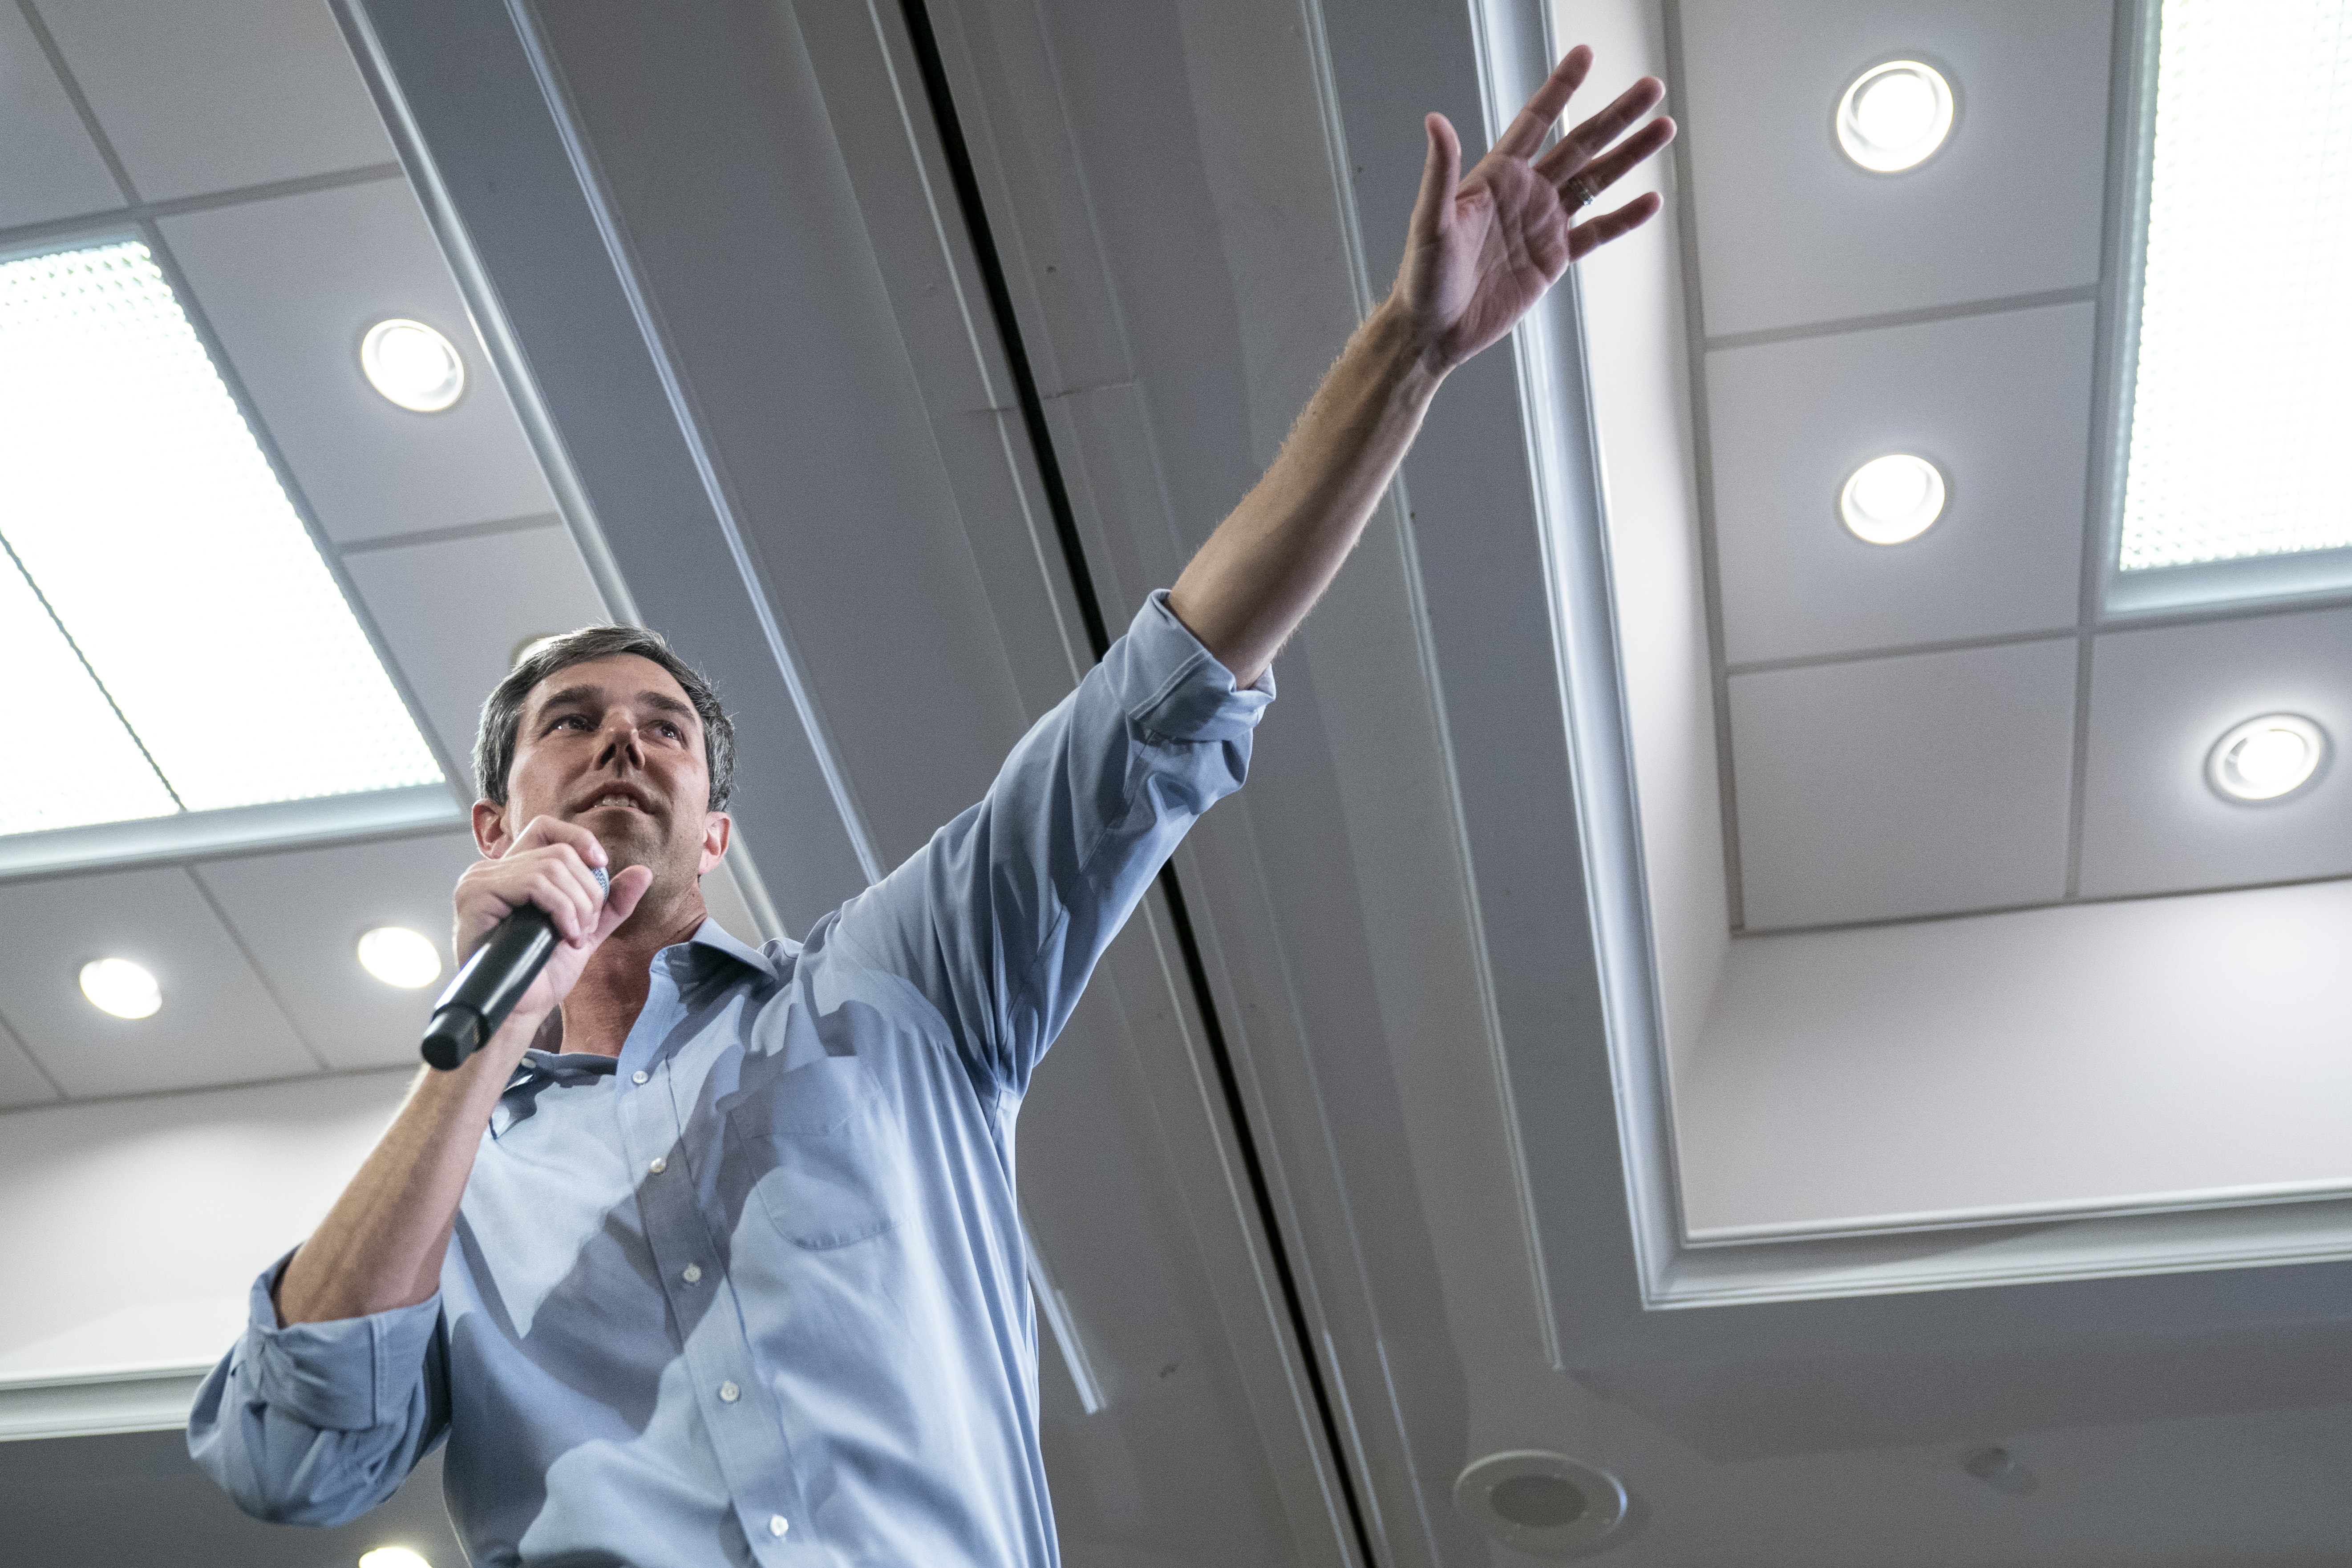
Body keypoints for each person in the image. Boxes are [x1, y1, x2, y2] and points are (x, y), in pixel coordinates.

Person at [188, 47, 1673, 1567]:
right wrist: (483, 1033)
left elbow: (1161, 697)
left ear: (715, 832)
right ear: (493, 828)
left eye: (668, 732)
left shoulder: (893, 986)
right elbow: (292, 1454)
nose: (624, 747)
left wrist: (1407, 356)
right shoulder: (458, 1184)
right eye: (573, 724)